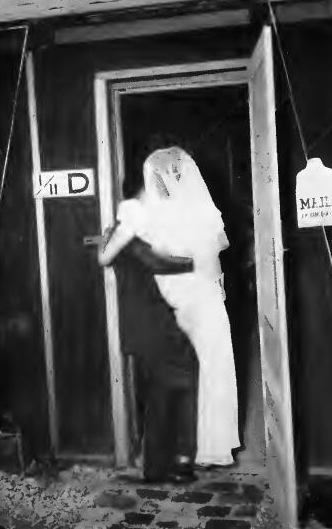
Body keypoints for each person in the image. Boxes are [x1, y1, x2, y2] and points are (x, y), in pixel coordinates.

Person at [108, 146, 240, 467]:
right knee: (205, 370)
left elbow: (155, 258)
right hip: (196, 299)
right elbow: (211, 255)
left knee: (198, 372)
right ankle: (204, 446)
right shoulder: (193, 212)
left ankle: (198, 447)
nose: (157, 181)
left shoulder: (153, 214)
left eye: (158, 175)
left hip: (184, 301)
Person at [98, 232, 199, 483]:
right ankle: (171, 462)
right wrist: (195, 261)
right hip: (152, 329)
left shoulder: (125, 236)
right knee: (168, 388)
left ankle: (168, 463)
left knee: (164, 389)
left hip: (148, 328)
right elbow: (156, 262)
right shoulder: (129, 234)